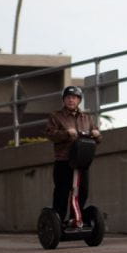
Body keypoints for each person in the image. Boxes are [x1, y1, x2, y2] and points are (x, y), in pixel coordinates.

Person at [45, 85, 102, 221]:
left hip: (82, 162)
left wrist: (96, 134)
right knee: (62, 193)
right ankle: (58, 222)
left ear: (79, 100)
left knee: (82, 192)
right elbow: (50, 135)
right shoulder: (56, 116)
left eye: (74, 98)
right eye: (68, 97)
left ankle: (75, 220)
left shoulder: (86, 118)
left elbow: (98, 138)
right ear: (64, 100)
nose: (71, 100)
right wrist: (66, 134)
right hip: (64, 160)